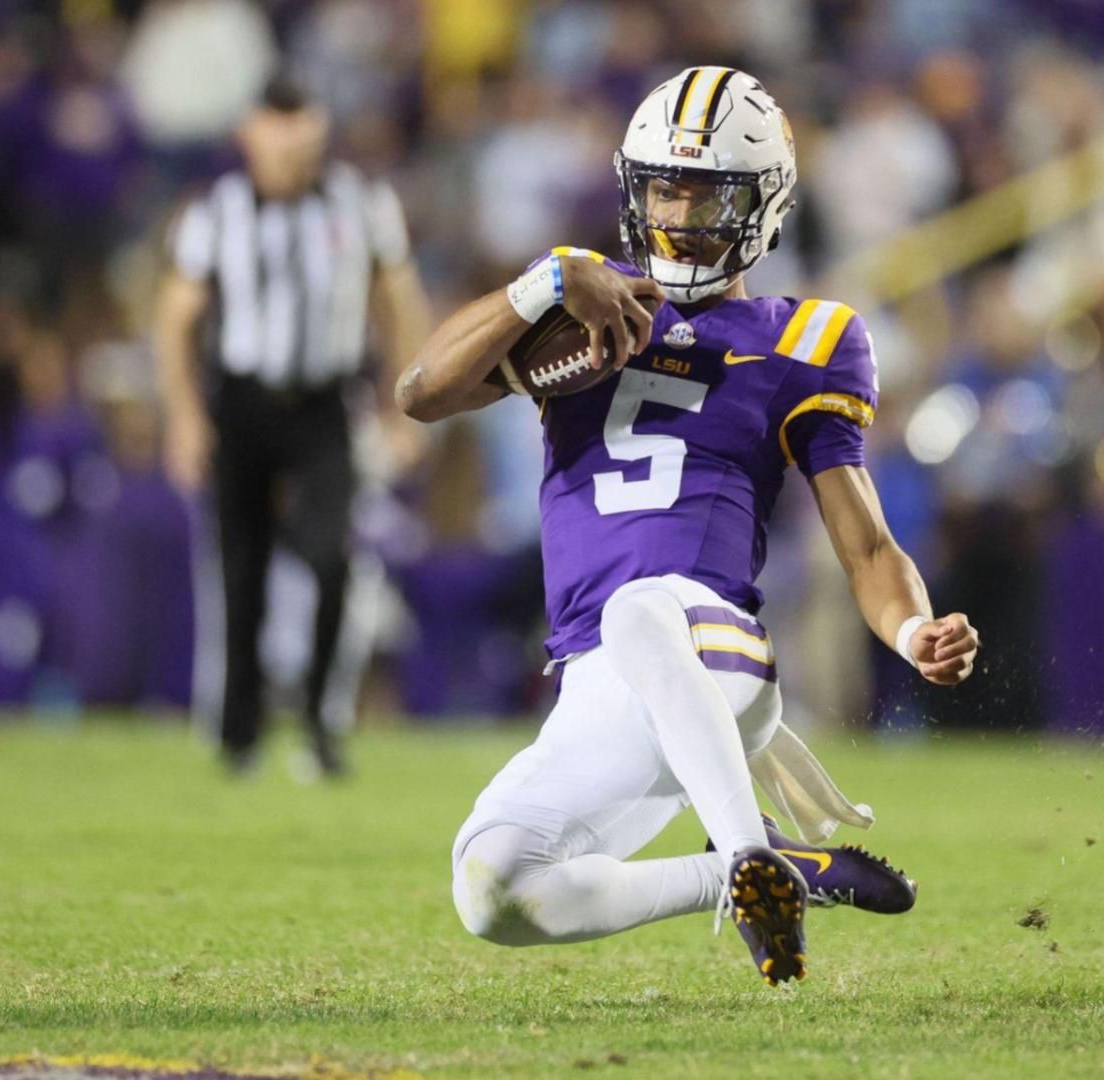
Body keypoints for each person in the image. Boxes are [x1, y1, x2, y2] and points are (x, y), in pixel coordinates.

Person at [395, 67, 979, 986]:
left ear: (764, 203)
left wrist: (913, 629)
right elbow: (419, 392)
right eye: (665, 186)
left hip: (717, 654)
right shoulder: (585, 303)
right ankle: (758, 871)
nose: (680, 211)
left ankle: (750, 857)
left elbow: (864, 543)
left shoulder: (807, 337)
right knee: (493, 885)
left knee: (642, 607)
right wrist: (540, 284)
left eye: (707, 193)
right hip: (598, 677)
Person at [154, 74, 430, 778]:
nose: (288, 151)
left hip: (325, 403)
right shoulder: (216, 212)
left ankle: (319, 720)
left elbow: (398, 303)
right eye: (276, 133)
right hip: (241, 401)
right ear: (250, 133)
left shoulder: (360, 204)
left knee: (333, 557)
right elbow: (175, 319)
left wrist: (408, 405)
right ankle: (237, 731)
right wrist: (185, 417)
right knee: (238, 568)